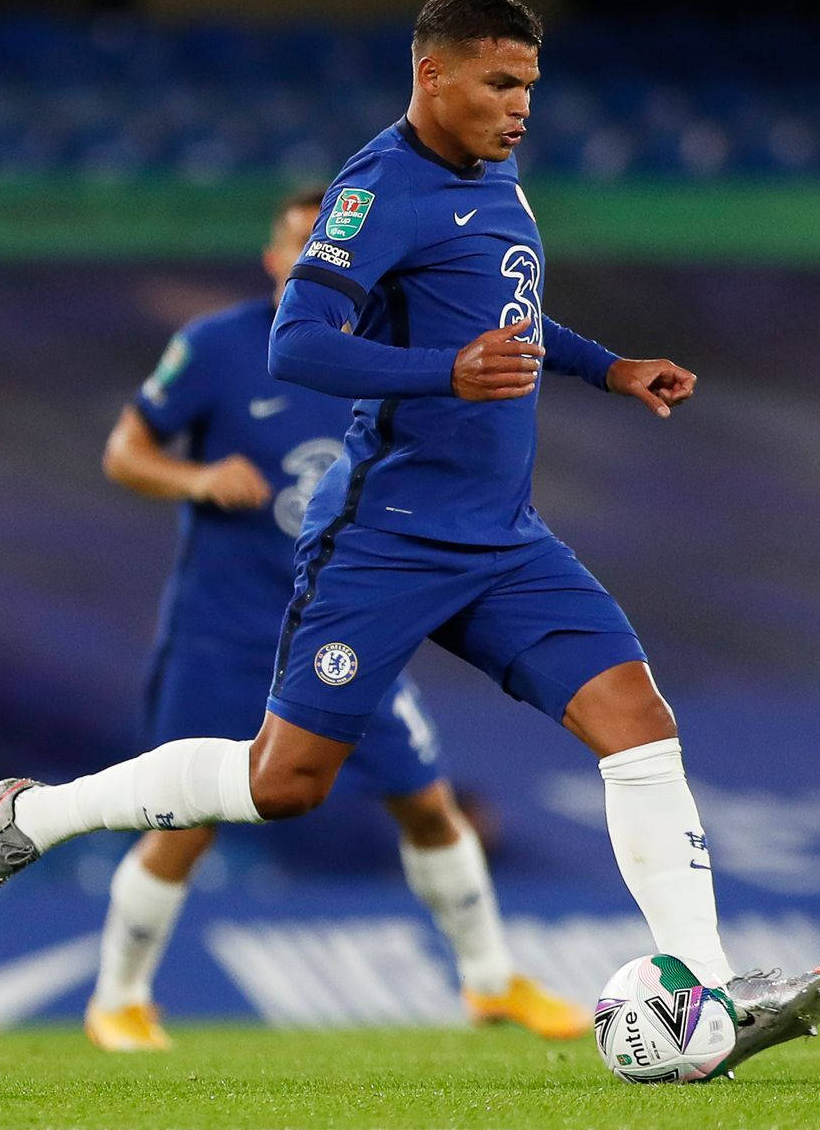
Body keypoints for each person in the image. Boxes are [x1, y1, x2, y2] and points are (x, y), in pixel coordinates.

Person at [0, 0, 820, 1073]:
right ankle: (31, 818)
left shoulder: (490, 176)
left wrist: (607, 367)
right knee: (283, 784)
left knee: (637, 722)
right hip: (388, 538)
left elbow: (504, 310)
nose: (520, 108)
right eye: (500, 83)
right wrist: (441, 373)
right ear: (434, 76)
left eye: (529, 87)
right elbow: (299, 343)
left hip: (503, 539)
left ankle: (703, 991)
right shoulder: (379, 189)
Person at [85, 188, 586, 1049]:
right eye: (302, 251)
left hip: (344, 630)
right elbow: (124, 450)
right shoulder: (214, 347)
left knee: (427, 803)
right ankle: (117, 999)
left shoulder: (401, 344)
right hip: (224, 634)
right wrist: (196, 480)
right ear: (277, 262)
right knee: (187, 823)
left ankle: (490, 983)